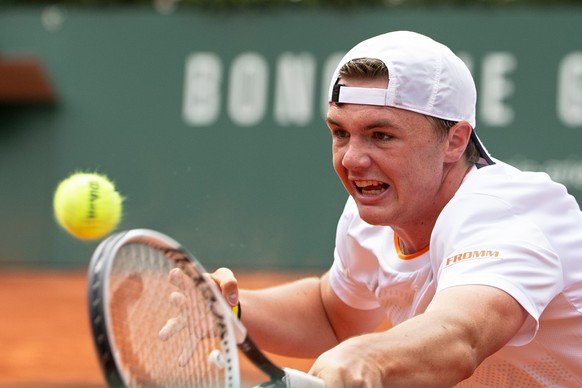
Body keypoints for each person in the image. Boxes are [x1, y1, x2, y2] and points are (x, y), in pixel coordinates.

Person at [195, 31, 582, 386]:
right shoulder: (374, 218)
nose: (352, 159)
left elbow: (460, 336)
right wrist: (226, 308)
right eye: (341, 133)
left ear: (454, 141)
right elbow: (332, 316)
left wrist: (366, 356)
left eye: (381, 135)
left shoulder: (505, 215)